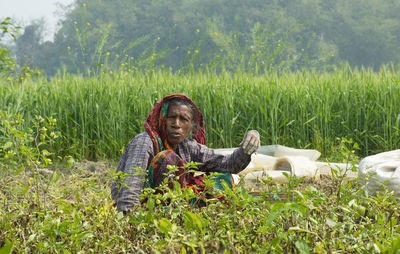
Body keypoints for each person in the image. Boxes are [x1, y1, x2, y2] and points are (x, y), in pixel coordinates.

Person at [111, 94, 260, 212]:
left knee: (222, 177)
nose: (176, 124)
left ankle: (186, 214)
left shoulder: (187, 147)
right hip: (143, 207)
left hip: (173, 206)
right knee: (168, 160)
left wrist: (248, 143)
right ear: (163, 119)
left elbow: (228, 164)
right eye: (172, 117)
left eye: (183, 119)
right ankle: (160, 214)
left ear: (191, 127)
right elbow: (130, 187)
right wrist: (129, 221)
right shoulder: (145, 142)